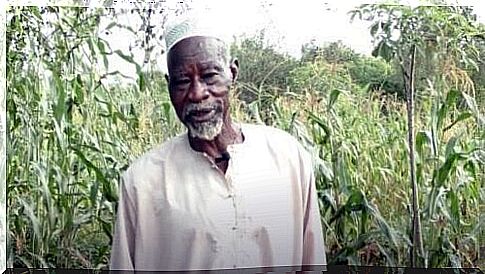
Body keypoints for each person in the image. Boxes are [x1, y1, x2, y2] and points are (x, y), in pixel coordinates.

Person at [109, 10, 327, 273]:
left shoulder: (289, 159)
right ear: (169, 86)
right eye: (182, 81)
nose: (197, 93)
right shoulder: (142, 181)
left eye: (209, 76)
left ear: (232, 73)